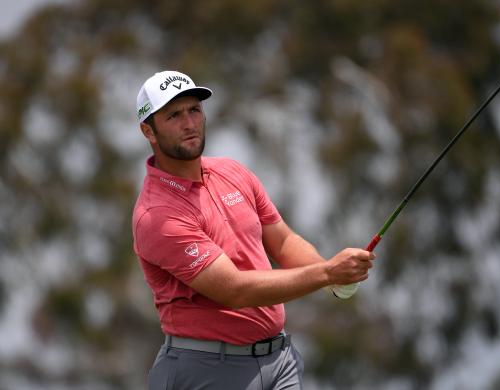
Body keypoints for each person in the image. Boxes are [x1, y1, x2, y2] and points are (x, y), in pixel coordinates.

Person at [132, 70, 375, 390]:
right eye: (174, 115)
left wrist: (330, 275)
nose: (189, 123)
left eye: (194, 110)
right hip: (208, 370)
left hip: (280, 361)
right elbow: (234, 290)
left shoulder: (232, 172)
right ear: (148, 130)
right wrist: (327, 274)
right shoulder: (157, 215)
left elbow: (284, 241)